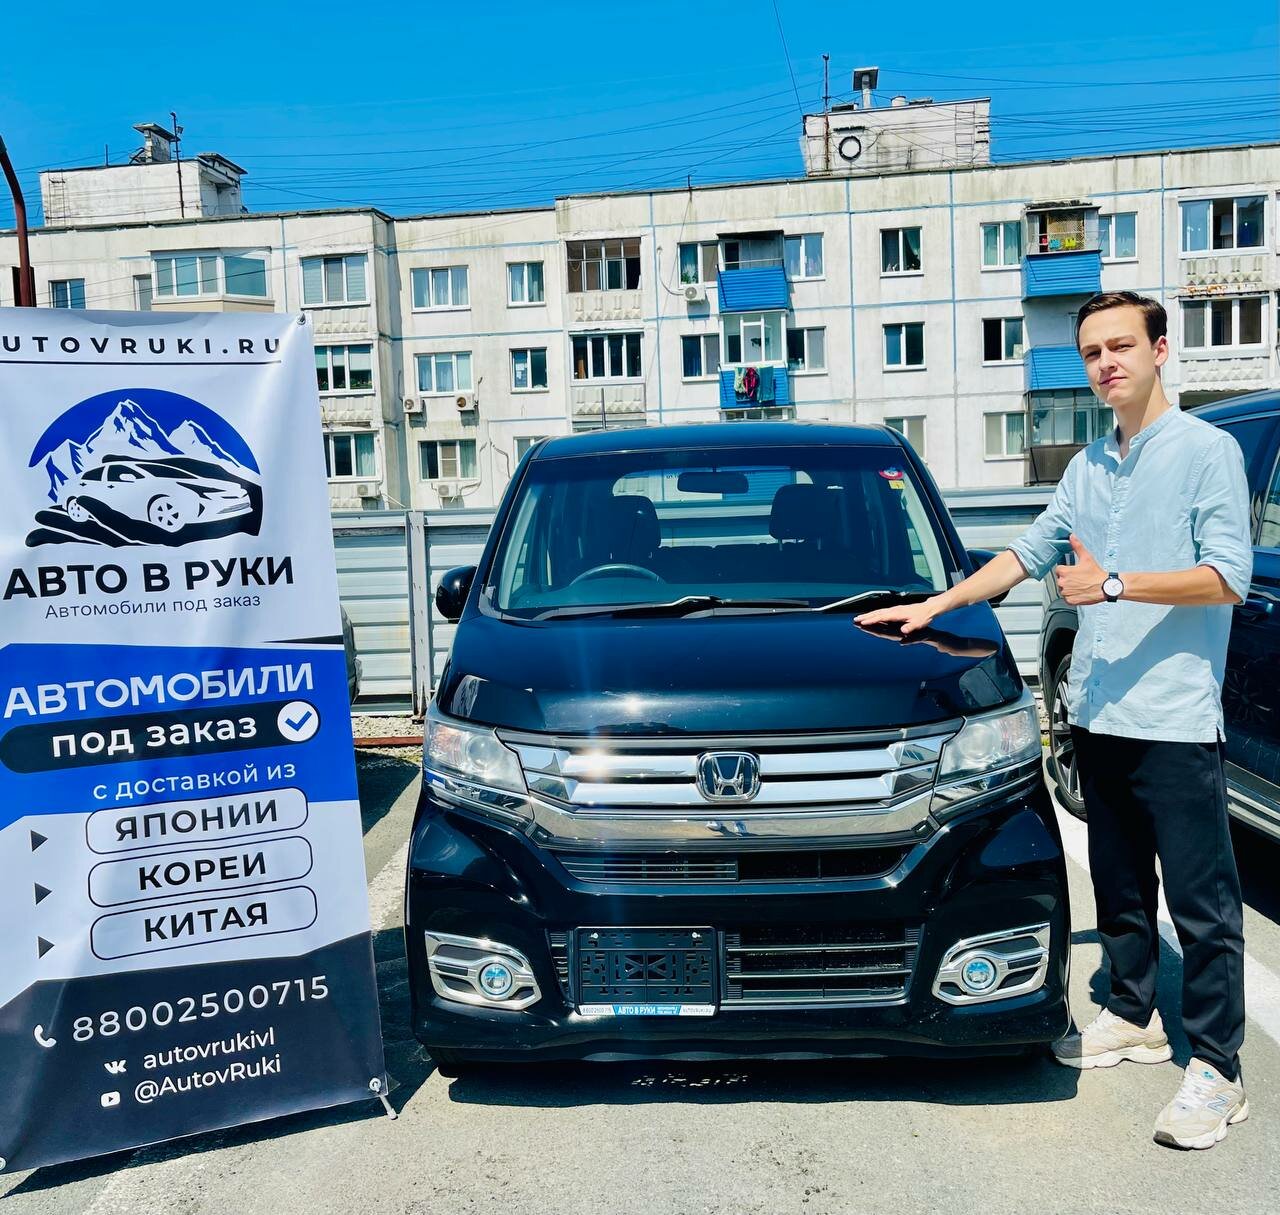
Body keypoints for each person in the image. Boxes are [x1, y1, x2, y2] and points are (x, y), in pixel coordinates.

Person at [857, 290, 1253, 1151]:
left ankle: (1219, 1069)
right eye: (1092, 352)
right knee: (1119, 883)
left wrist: (1113, 584)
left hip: (1176, 718)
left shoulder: (1206, 451)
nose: (1106, 363)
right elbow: (1027, 552)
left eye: (1121, 346)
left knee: (1202, 904)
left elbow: (1229, 576)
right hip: (1100, 712)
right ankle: (1135, 1014)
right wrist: (936, 605)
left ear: (1159, 349)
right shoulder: (1088, 465)